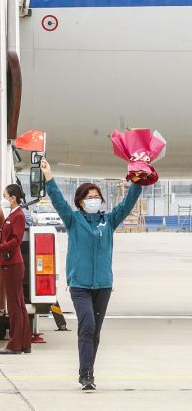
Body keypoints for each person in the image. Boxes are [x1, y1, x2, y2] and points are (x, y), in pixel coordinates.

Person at [40, 158, 143, 390]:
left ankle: (88, 371)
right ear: (80, 201)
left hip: (103, 285)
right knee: (87, 326)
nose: (94, 200)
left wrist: (138, 181)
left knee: (95, 331)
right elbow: (58, 201)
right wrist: (49, 177)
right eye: (89, 197)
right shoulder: (73, 220)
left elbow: (127, 203)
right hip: (80, 285)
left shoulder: (109, 220)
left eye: (97, 197)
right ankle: (86, 374)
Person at [0, 184, 31, 354]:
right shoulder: (13, 214)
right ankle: (24, 343)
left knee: (14, 306)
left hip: (12, 264)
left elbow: (15, 241)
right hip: (9, 263)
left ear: (13, 197)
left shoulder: (18, 215)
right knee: (19, 304)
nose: (3, 198)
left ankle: (15, 345)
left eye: (5, 195)